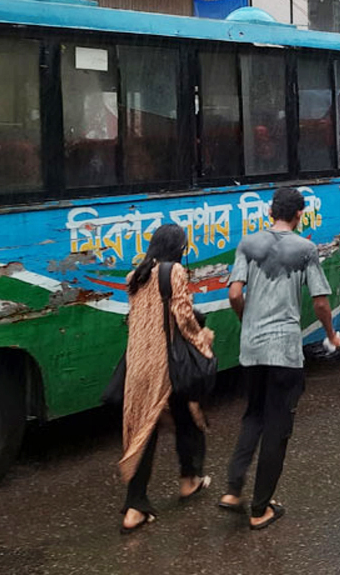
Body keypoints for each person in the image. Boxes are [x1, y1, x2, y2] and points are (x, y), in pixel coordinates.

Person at [218, 187, 340, 530]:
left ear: (271, 212)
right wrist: (332, 335)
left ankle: (232, 489)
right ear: (300, 214)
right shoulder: (304, 249)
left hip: (252, 349)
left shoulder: (248, 243)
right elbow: (319, 302)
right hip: (285, 352)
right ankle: (260, 509)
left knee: (253, 415)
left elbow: (233, 293)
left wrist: (247, 322)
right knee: (277, 428)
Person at [119, 223, 214, 534]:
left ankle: (136, 505)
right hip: (166, 364)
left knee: (144, 429)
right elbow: (183, 315)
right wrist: (202, 340)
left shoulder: (135, 276)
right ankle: (189, 478)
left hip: (138, 364)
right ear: (178, 248)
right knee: (190, 413)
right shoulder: (173, 272)